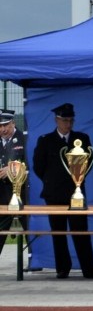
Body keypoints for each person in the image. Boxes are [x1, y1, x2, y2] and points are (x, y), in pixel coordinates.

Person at [32, 103, 93, 279]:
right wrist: (51, 181)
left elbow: (88, 163)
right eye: (65, 120)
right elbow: (38, 167)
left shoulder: (82, 139)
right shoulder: (45, 140)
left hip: (76, 193)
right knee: (58, 233)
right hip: (54, 194)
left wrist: (77, 182)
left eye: (71, 120)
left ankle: (89, 269)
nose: (68, 124)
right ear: (57, 120)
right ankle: (62, 268)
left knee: (81, 232)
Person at [0, 109, 27, 257]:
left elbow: (30, 164)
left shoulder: (24, 139)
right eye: (0, 126)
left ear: (13, 123)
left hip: (21, 193)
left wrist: (10, 170)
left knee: (29, 227)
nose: (3, 129)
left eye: (6, 125)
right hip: (1, 193)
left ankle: (34, 259)